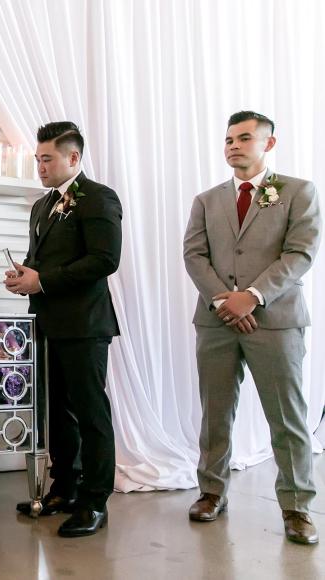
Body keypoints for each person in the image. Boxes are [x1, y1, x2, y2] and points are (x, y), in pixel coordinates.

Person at [183, 111, 321, 545]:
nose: (233, 146)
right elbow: (194, 255)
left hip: (276, 321)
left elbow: (300, 253)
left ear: (269, 143)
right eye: (228, 139)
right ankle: (211, 492)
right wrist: (224, 300)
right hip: (216, 321)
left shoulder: (298, 191)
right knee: (215, 413)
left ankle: (297, 507)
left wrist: (254, 296)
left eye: (244, 138)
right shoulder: (206, 200)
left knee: (287, 416)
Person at [5, 121, 122, 538]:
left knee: (91, 413)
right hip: (45, 324)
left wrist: (44, 280)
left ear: (73, 157)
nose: (40, 167)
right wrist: (25, 275)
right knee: (56, 413)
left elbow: (105, 259)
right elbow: (43, 260)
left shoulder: (99, 197)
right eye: (37, 159)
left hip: (85, 324)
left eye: (47, 159)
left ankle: (95, 501)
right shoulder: (41, 205)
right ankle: (64, 488)